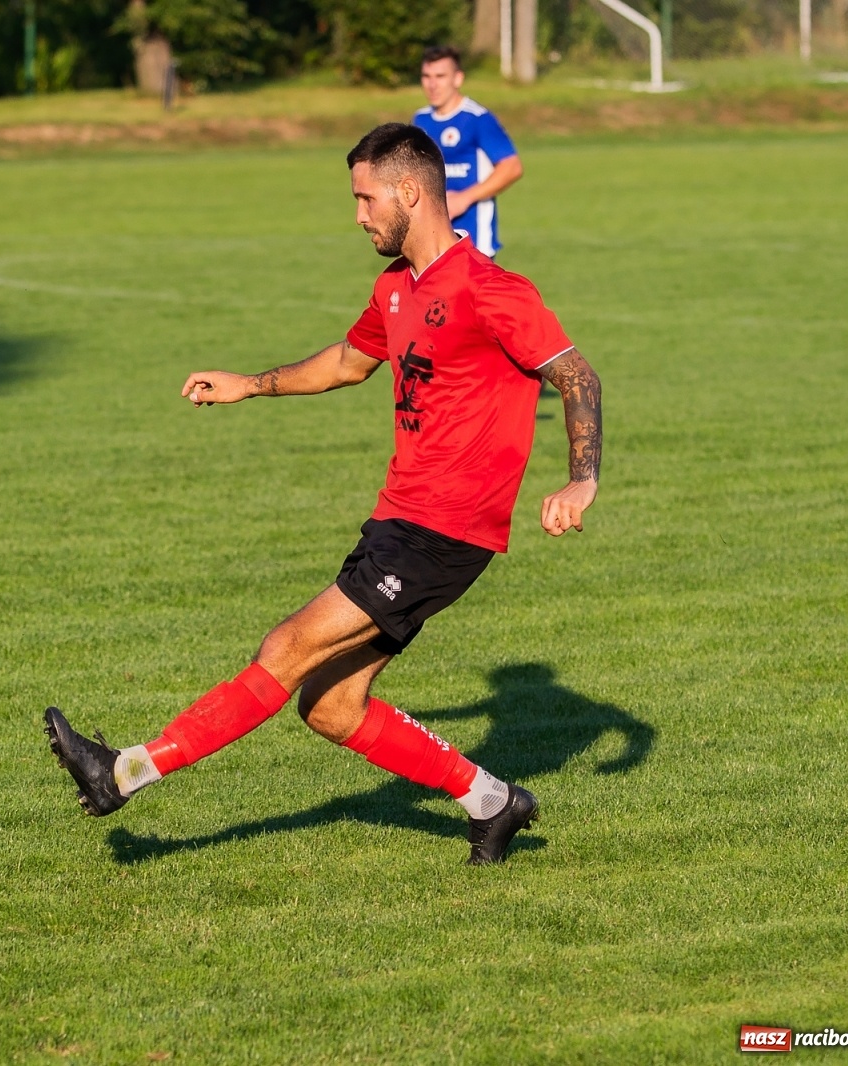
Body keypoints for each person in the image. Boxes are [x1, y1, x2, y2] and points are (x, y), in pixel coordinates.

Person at [45, 123, 603, 866]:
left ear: (410, 192)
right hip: (399, 519)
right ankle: (494, 802)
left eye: (366, 198)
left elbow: (577, 376)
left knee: (285, 648)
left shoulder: (491, 288)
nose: (359, 215)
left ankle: (123, 772)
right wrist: (251, 383)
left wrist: (581, 477)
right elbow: (346, 362)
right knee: (332, 707)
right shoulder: (395, 290)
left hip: (446, 530)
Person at [412, 46, 521, 259]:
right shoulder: (420, 120)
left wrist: (463, 198)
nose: (432, 84)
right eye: (426, 76)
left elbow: (512, 167)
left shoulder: (478, 119)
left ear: (458, 79)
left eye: (440, 76)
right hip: (432, 242)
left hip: (474, 243)